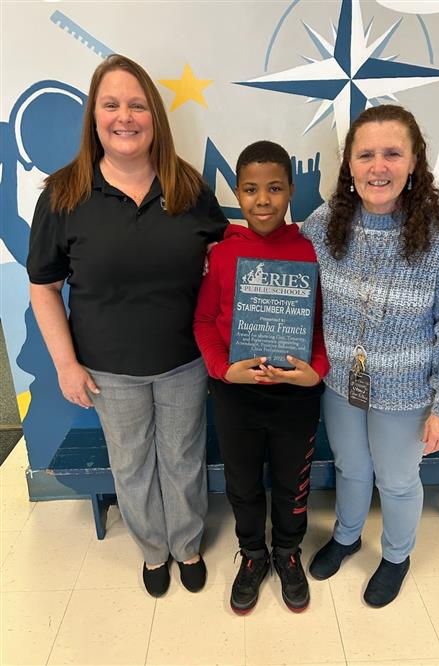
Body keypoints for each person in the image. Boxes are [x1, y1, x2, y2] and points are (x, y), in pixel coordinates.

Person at [26, 54, 227, 598]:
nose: (125, 116)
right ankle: (152, 552)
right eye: (111, 104)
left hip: (184, 359)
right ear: (94, 117)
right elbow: (43, 286)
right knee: (132, 464)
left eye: (137, 104)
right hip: (108, 370)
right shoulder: (64, 194)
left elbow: (226, 248)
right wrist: (66, 364)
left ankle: (186, 545)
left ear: (154, 116)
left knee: (184, 458)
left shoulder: (186, 185)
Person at [301, 104, 439, 607]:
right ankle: (346, 536)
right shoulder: (324, 223)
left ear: (413, 162)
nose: (378, 166)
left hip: (408, 395)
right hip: (343, 384)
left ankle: (397, 556)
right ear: (350, 166)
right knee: (351, 468)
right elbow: (285, 268)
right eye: (365, 155)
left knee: (398, 480)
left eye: (392, 153)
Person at [194, 141, 330, 614]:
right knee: (243, 483)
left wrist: (316, 373)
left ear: (291, 190)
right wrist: (221, 369)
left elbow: (322, 327)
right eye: (250, 189)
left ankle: (288, 552)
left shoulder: (312, 252)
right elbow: (204, 322)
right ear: (237, 192)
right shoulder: (226, 253)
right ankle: (253, 555)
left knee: (294, 483)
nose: (263, 200)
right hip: (236, 395)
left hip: (296, 399)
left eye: (274, 188)